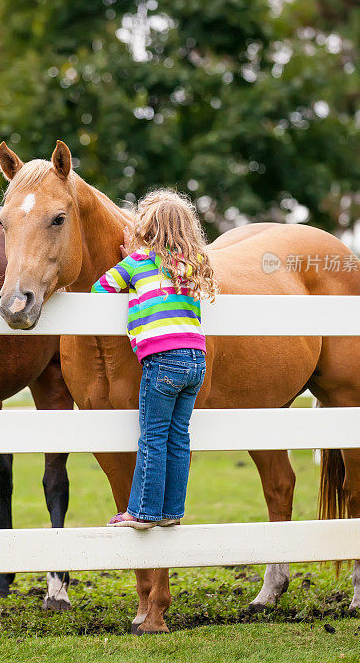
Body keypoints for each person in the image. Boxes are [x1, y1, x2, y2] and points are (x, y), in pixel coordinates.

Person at [91, 189, 218, 528]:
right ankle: (171, 512)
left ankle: (143, 511)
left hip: (162, 362)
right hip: (196, 361)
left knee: (153, 437)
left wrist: (130, 256)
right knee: (179, 437)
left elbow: (100, 290)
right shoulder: (193, 265)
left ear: (145, 227)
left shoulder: (136, 263)